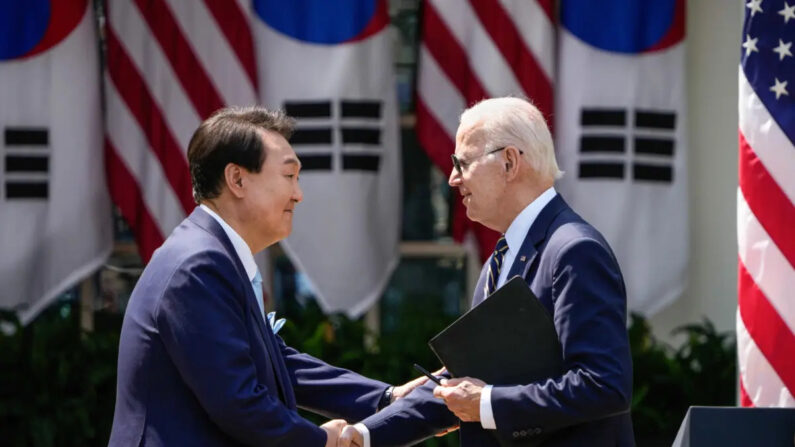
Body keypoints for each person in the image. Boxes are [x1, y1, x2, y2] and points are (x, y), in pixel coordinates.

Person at [109, 107, 426, 447]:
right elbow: (238, 401)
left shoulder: (211, 255)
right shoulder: (198, 265)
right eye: (289, 176)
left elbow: (277, 364)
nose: (298, 194)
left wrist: (386, 398)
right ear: (237, 180)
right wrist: (321, 441)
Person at [341, 97, 634, 446]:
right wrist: (364, 435)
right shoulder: (502, 257)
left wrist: (487, 403)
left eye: (461, 163)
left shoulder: (574, 250)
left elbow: (602, 384)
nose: (452, 178)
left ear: (509, 162)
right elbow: (465, 381)